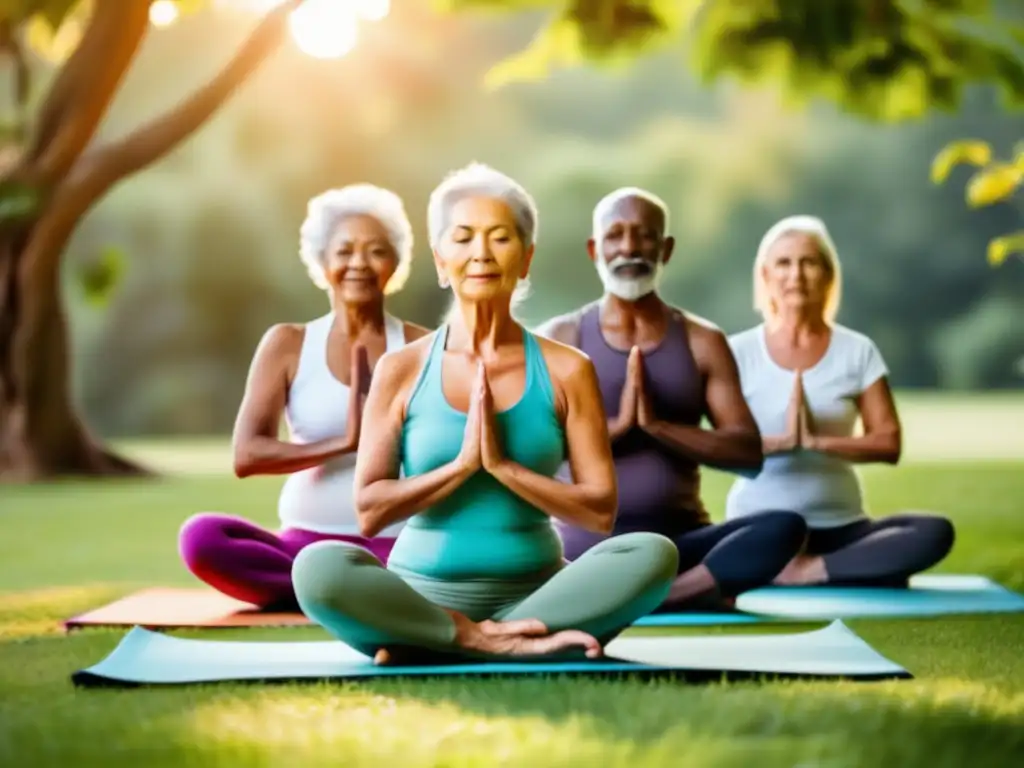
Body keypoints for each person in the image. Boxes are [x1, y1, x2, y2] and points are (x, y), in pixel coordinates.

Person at [291, 164, 678, 663]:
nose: (481, 253)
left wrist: (503, 468)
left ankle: (450, 641)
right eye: (464, 237)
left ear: (526, 258)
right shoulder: (402, 368)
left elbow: (599, 510)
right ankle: (483, 638)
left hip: (540, 595)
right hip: (421, 596)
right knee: (317, 568)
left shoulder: (566, 369)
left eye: (500, 238)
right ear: (440, 259)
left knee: (651, 553)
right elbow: (369, 510)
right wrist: (461, 467)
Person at [536, 187, 807, 611]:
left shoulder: (702, 340)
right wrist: (620, 428)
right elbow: (532, 453)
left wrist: (659, 428)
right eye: (616, 235)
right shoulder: (560, 338)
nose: (629, 247)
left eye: (644, 235)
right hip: (586, 549)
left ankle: (658, 597)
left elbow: (747, 452)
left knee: (785, 527)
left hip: (679, 545)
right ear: (595, 248)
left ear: (666, 249)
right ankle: (687, 594)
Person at [178, 184, 430, 609]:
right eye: (344, 250)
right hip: (303, 547)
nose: (359, 264)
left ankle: (337, 593)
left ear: (395, 263)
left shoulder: (424, 346)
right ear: (322, 260)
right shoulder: (288, 344)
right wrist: (347, 442)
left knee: (454, 565)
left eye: (376, 251)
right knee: (202, 537)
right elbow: (248, 455)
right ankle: (340, 592)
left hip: (398, 548)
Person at [725, 215, 955, 587]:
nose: (796, 275)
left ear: (828, 275)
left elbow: (888, 442)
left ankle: (806, 571)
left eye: (809, 262)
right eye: (784, 263)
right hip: (760, 526)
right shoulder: (737, 352)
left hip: (842, 526)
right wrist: (782, 444)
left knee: (934, 531)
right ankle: (843, 570)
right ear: (765, 276)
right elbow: (720, 446)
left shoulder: (857, 350)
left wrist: (817, 443)